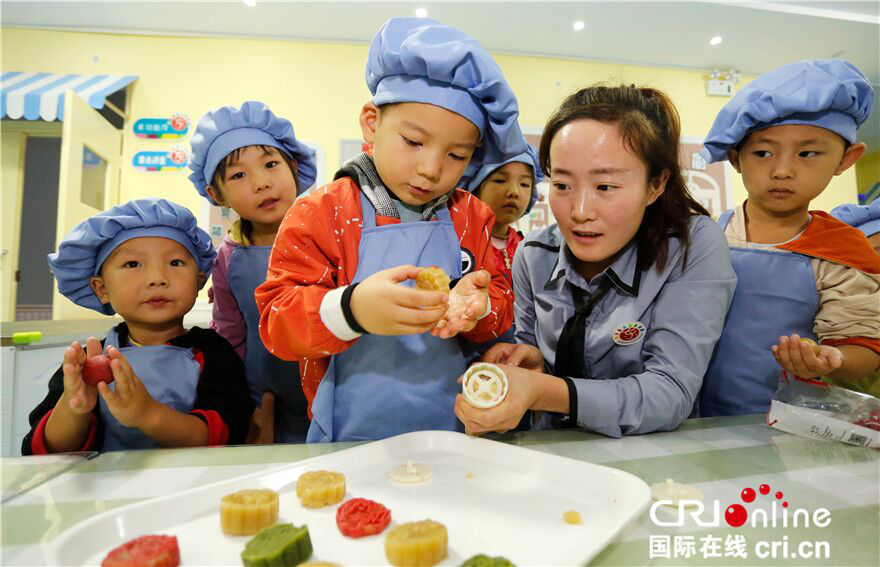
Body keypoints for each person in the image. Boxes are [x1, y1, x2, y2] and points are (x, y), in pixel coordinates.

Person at [255, 17, 526, 442]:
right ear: (371, 123)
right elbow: (277, 324)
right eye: (414, 142)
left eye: (456, 155)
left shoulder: (472, 216)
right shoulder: (322, 212)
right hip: (348, 430)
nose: (431, 168)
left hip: (454, 429)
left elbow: (498, 319)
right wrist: (353, 309)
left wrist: (480, 308)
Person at [454, 85, 736, 437]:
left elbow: (669, 393)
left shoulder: (690, 246)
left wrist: (544, 392)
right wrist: (528, 362)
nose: (580, 212)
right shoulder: (534, 257)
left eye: (605, 187)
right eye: (562, 185)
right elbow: (533, 344)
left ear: (656, 184)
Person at [699, 60, 880, 416]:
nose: (782, 170)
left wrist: (833, 359)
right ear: (736, 158)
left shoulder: (842, 252)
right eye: (763, 152)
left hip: (785, 429)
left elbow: (866, 348)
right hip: (688, 421)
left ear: (846, 159)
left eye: (808, 153)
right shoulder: (704, 236)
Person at [23, 198, 254, 453]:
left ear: (198, 281)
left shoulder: (214, 353)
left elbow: (227, 435)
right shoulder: (89, 361)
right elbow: (45, 452)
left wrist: (148, 415)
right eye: (133, 264)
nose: (157, 279)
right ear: (101, 289)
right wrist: (74, 407)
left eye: (175, 263)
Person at [189, 101, 316, 442]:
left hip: (333, 391)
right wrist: (244, 407)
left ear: (292, 167)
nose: (261, 183)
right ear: (217, 194)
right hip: (265, 402)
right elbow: (232, 336)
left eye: (271, 164)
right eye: (239, 175)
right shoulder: (228, 259)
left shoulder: (327, 238)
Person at [467, 144, 544, 283]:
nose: (514, 192)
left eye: (524, 184)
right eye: (500, 180)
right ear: (475, 188)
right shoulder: (462, 243)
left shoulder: (526, 249)